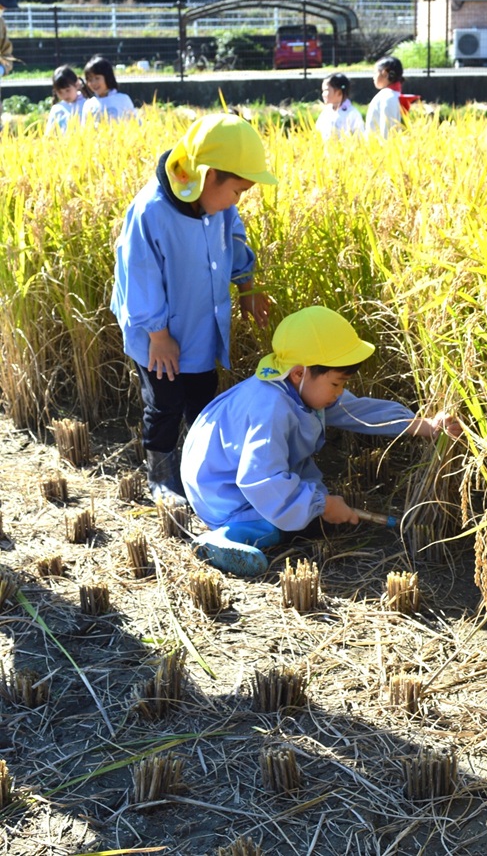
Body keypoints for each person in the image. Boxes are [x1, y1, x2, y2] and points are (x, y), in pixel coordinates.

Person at [181, 305, 461, 576]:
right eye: (337, 384)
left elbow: (360, 411)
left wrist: (426, 426)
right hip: (223, 493)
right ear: (300, 372)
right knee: (291, 524)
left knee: (308, 514)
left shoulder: (297, 388)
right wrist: (322, 506)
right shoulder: (270, 409)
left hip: (242, 479)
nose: (341, 393)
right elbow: (261, 480)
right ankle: (224, 537)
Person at [111, 114, 277, 505]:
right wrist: (158, 334)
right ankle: (162, 475)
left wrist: (247, 287)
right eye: (238, 190)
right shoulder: (150, 211)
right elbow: (140, 274)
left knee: (204, 396)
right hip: (157, 337)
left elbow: (234, 238)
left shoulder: (218, 206)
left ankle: (201, 467)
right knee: (165, 402)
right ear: (207, 176)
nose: (239, 200)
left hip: (201, 325)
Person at [366, 56, 420, 138]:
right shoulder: (391, 96)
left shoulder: (388, 97)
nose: (373, 77)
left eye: (375, 73)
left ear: (384, 73)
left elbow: (388, 133)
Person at [83, 54, 138, 124]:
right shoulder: (89, 104)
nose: (93, 83)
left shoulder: (123, 99)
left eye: (97, 78)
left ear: (108, 77)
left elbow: (135, 123)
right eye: (90, 80)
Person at [316, 72, 364, 141]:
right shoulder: (326, 112)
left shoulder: (352, 114)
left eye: (326, 90)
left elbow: (360, 138)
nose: (323, 94)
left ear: (339, 92)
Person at [45, 65, 91, 135]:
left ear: (77, 85)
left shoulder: (87, 105)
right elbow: (49, 134)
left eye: (67, 90)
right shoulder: (57, 109)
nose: (65, 95)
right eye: (60, 92)